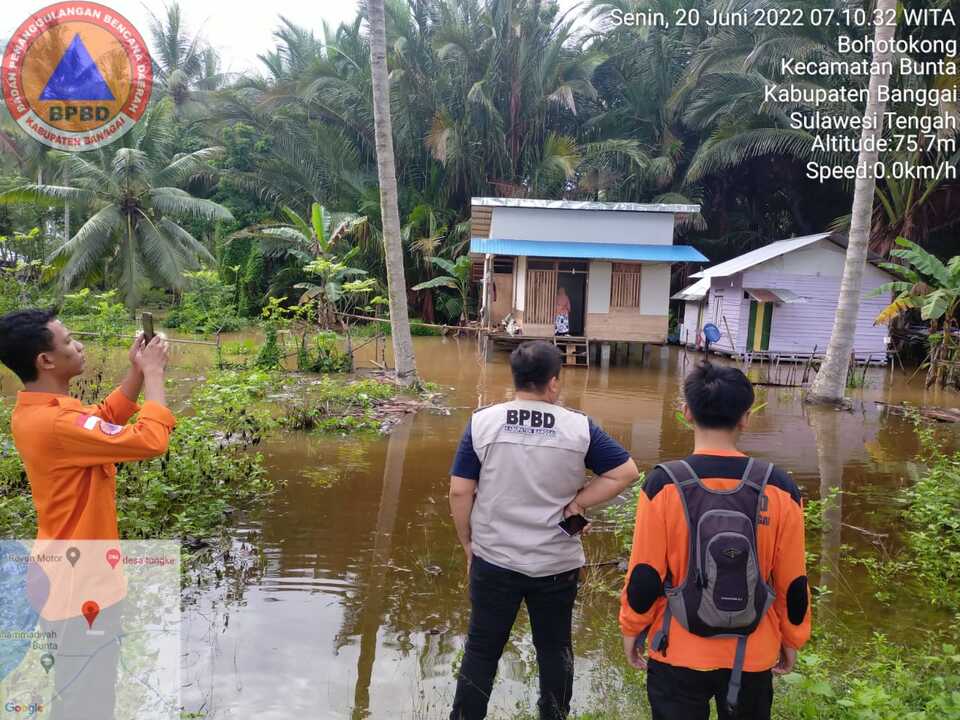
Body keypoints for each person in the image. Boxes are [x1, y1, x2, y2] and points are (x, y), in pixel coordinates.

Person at [449, 340, 639, 720]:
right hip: (556, 562)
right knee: (555, 649)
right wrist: (579, 503)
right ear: (553, 382)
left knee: (482, 649)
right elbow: (625, 472)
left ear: (515, 378)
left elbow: (460, 489)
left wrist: (469, 544)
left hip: (495, 558)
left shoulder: (483, 422)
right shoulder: (578, 427)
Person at [619, 361, 811, 720]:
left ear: (686, 412)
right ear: (745, 418)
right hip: (752, 652)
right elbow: (793, 581)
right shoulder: (779, 486)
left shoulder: (664, 485)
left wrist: (632, 628)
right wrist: (791, 638)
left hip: (675, 649)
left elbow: (644, 573)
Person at [0, 308, 175, 541]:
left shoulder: (38, 411)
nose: (80, 346)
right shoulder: (57, 422)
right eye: (69, 341)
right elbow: (152, 440)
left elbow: (104, 417)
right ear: (46, 360)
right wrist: (153, 372)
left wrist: (137, 369)